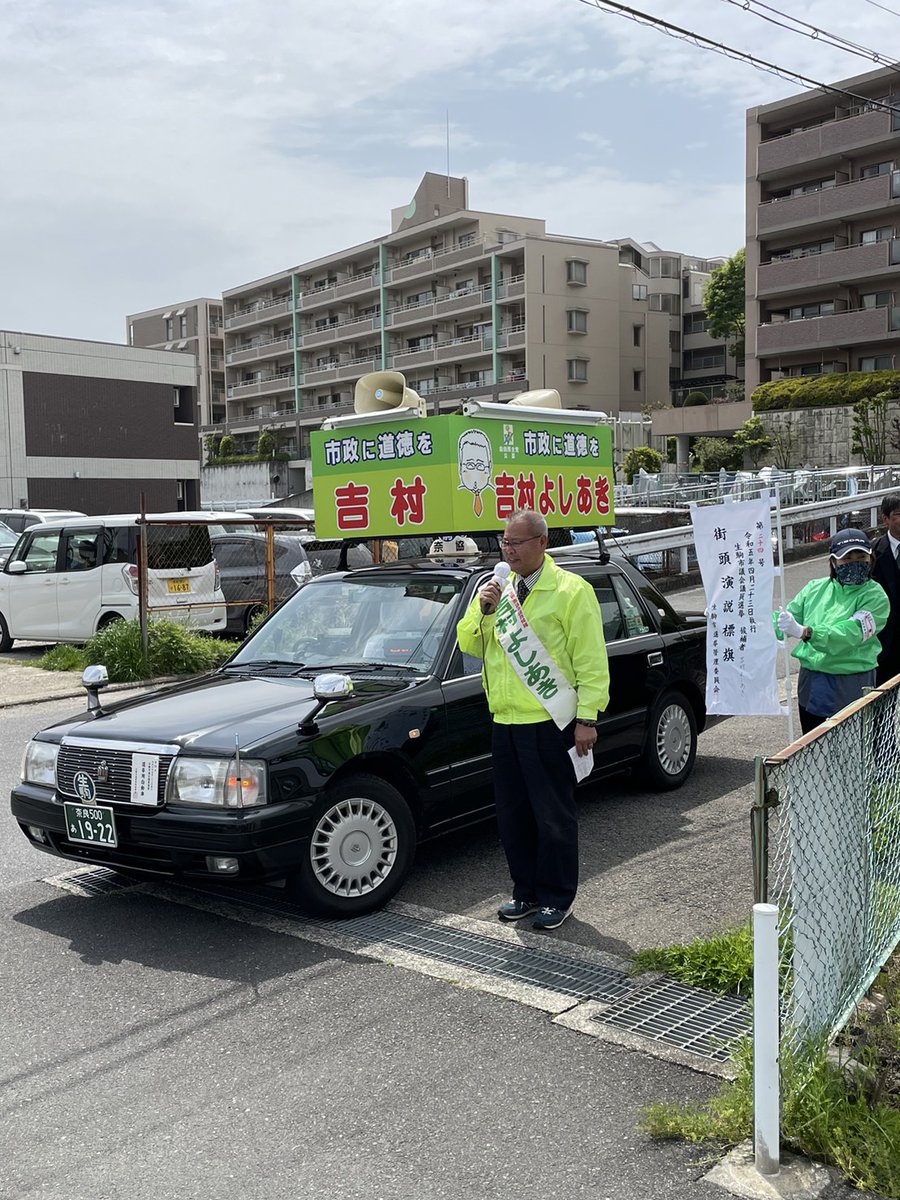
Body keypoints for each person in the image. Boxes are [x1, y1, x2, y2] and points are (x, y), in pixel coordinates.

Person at [456, 509, 609, 931]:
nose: (509, 550)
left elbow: (591, 661)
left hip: (549, 720)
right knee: (512, 815)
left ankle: (557, 897)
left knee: (552, 814)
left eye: (517, 543)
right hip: (504, 721)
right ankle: (524, 891)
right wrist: (484, 609)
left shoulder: (570, 591)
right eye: (505, 543)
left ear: (542, 542)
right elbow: (468, 641)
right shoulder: (495, 590)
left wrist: (587, 718)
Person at [774, 527, 889, 735]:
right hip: (811, 680)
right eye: (847, 558)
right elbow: (783, 620)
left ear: (870, 559)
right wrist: (740, 619)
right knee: (811, 746)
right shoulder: (815, 588)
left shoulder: (876, 596)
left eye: (861, 556)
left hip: (851, 681)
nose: (855, 562)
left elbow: (851, 633)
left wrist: (806, 632)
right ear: (834, 562)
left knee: (849, 748)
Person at [870, 493, 900, 686]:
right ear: (885, 519)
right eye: (899, 514)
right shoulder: (872, 553)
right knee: (881, 705)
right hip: (884, 644)